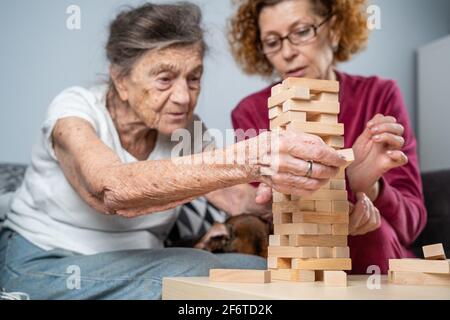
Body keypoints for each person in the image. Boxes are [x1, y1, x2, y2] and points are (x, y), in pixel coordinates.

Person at [0, 2, 345, 299]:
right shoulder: (74, 110)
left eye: (193, 78)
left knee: (255, 269)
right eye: (164, 79)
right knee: (193, 271)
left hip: (136, 263)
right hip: (44, 263)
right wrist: (252, 159)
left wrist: (329, 202)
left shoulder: (186, 129)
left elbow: (241, 199)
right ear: (120, 79)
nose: (183, 97)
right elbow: (110, 189)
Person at [229, 0, 427, 274]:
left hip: (379, 258)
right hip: (302, 264)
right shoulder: (250, 112)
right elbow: (268, 219)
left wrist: (370, 188)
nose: (287, 52)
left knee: (371, 233)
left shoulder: (379, 95)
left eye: (301, 32)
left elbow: (411, 227)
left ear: (333, 30)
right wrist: (348, 184)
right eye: (273, 42)